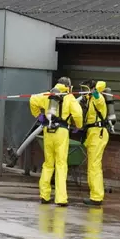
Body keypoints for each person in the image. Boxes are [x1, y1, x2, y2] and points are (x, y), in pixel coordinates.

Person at [29, 77, 83, 207]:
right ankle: (61, 198)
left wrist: (39, 115)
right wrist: (79, 126)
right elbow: (78, 114)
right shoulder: (69, 97)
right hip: (62, 132)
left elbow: (32, 99)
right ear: (69, 86)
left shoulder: (49, 94)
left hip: (48, 131)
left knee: (48, 164)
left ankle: (44, 195)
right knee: (61, 164)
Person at [79, 79, 116, 207]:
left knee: (94, 166)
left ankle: (96, 197)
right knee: (92, 166)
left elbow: (99, 99)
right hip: (93, 133)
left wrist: (94, 93)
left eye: (85, 89)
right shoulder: (89, 100)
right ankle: (94, 195)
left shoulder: (97, 97)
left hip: (98, 133)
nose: (83, 92)